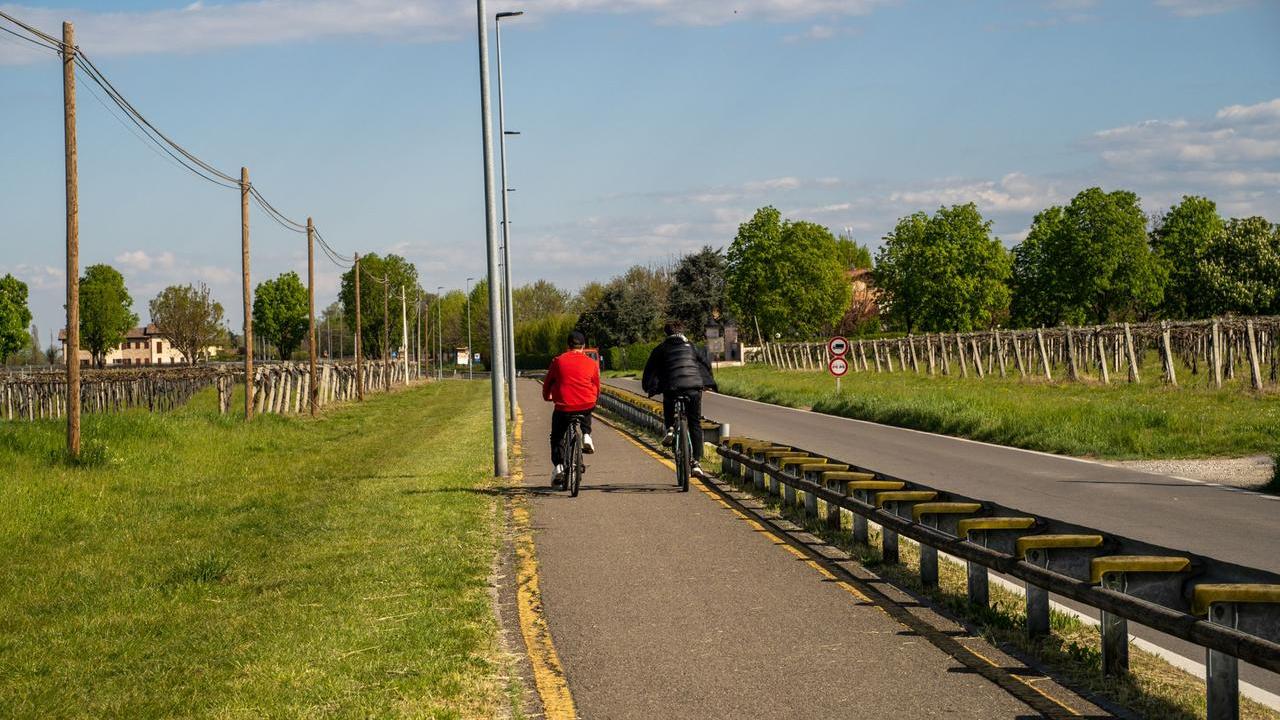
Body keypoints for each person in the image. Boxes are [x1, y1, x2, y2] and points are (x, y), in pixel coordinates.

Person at [642, 320, 717, 479]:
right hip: (694, 387)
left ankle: (670, 428)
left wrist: (649, 386)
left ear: (666, 333)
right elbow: (705, 364)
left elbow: (650, 370)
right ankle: (696, 463)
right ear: (683, 331)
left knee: (668, 401)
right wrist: (707, 382)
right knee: (695, 423)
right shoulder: (692, 346)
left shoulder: (661, 349)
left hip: (672, 387)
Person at [543, 330, 600, 487]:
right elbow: (596, 385)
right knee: (587, 405)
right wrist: (595, 398)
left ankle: (559, 466)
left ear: (568, 346)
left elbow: (548, 383)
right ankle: (587, 435)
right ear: (583, 346)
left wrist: (547, 396)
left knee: (556, 436)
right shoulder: (591, 363)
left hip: (564, 406)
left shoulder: (558, 361)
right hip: (586, 403)